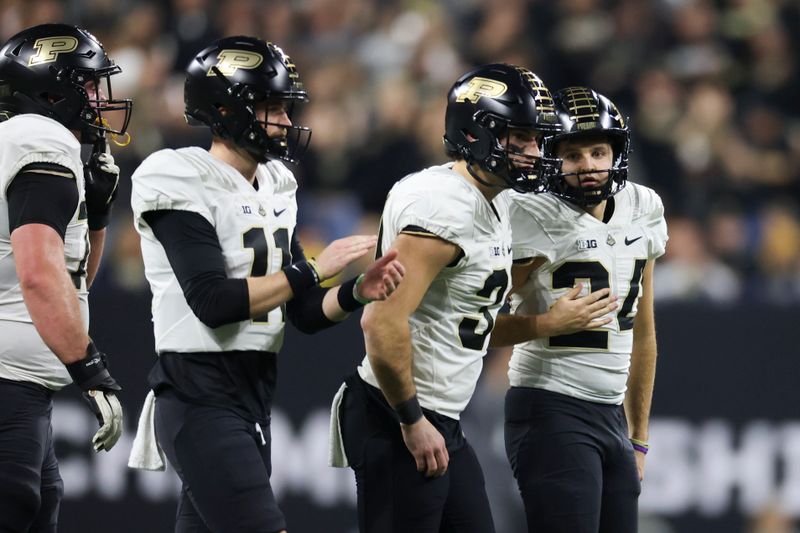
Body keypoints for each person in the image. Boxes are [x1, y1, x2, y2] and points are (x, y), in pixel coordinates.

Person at [126, 36, 404, 533]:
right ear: (225, 109)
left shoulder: (278, 182)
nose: (284, 120)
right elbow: (213, 301)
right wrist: (316, 268)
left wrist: (355, 291)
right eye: (270, 106)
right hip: (198, 392)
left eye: (285, 107)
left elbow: (301, 312)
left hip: (253, 392)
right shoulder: (177, 175)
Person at [328, 63, 574, 533]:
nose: (533, 152)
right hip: (398, 411)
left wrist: (543, 322)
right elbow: (379, 324)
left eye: (536, 139)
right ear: (476, 134)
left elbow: (469, 320)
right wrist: (412, 418)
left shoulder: (494, 198)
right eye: (518, 138)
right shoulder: (443, 209)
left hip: (440, 414)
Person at [502, 86, 668, 533]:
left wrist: (639, 439)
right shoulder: (530, 213)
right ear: (553, 158)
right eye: (573, 155)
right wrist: (546, 323)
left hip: (611, 413)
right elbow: (474, 323)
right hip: (550, 404)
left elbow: (643, 333)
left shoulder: (643, 206)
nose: (589, 166)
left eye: (598, 151)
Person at [0, 23, 130, 532]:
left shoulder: (22, 140)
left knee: (39, 505)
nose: (101, 99)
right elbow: (37, 274)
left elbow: (70, 283)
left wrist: (96, 216)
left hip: (20, 382)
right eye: (91, 86)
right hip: (8, 381)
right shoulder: (42, 139)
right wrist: (89, 367)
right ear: (53, 91)